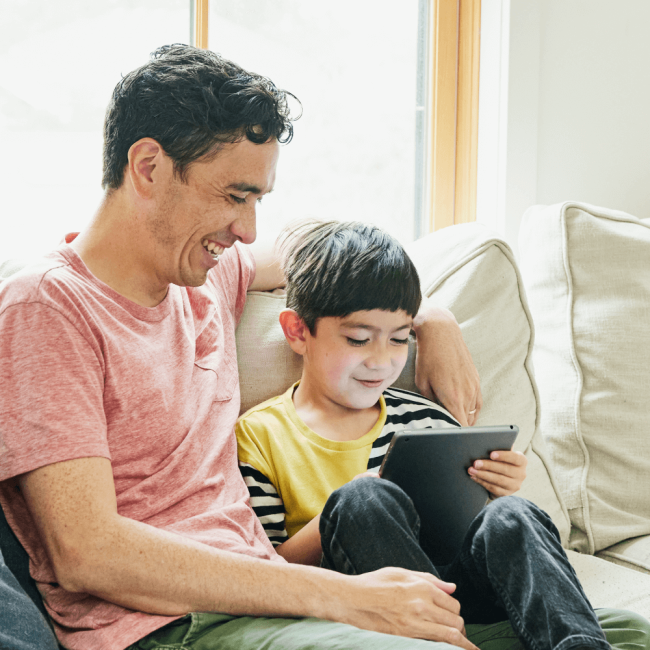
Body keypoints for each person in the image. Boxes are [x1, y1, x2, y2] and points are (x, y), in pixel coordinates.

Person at [0, 44, 489, 650]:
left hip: (272, 610)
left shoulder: (208, 275)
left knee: (624, 631)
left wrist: (430, 316)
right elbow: (86, 552)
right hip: (167, 627)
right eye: (236, 196)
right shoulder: (48, 306)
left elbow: (327, 253)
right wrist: (348, 598)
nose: (248, 229)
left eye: (258, 200)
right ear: (149, 167)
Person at [236, 220, 650, 650]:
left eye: (398, 340)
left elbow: (479, 532)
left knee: (514, 514)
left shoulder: (422, 419)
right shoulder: (259, 434)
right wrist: (334, 514)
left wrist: (497, 487)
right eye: (359, 339)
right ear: (298, 331)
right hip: (366, 603)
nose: (381, 362)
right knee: (362, 499)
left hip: (464, 597)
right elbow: (269, 569)